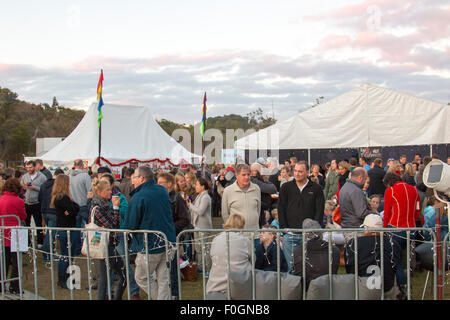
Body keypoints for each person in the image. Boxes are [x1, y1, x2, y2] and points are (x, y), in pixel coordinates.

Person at [121, 166, 176, 300]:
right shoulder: (162, 190)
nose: (132, 181)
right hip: (168, 240)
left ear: (141, 178)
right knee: (163, 279)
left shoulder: (138, 197)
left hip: (151, 245)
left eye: (134, 177)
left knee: (141, 277)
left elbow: (130, 225)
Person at [277, 161, 325, 272]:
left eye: (300, 171)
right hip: (290, 235)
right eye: (296, 171)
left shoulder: (316, 189)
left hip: (309, 236)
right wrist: (285, 230)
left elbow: (319, 211)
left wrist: (315, 232)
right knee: (292, 268)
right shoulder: (286, 187)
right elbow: (281, 209)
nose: (297, 174)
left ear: (307, 172)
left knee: (309, 267)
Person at [344, 214, 401, 300]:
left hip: (362, 289)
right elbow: (396, 266)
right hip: (386, 287)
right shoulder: (393, 243)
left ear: (366, 228)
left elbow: (350, 268)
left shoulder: (354, 243)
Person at [382, 172, 421, 296]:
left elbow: (387, 212)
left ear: (389, 183)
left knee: (396, 261)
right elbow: (417, 211)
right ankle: (407, 284)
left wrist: (384, 228)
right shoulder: (414, 190)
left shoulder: (391, 191)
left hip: (396, 228)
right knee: (406, 260)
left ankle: (403, 287)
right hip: (411, 229)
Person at [89, 178, 126, 300]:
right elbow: (113, 226)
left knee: (122, 275)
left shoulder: (104, 204)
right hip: (104, 245)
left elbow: (115, 223)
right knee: (104, 279)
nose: (111, 192)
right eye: (108, 190)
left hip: (110, 244)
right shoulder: (97, 207)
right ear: (99, 191)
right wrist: (115, 208)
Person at [157, 172, 191, 300]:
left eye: (161, 183)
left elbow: (185, 219)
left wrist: (170, 229)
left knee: (172, 268)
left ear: (169, 184)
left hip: (172, 238)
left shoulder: (177, 199)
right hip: (159, 239)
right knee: (161, 269)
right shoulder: (159, 197)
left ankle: (175, 294)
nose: (158, 185)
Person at [206, 214, 252, 296]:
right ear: (242, 225)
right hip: (239, 285)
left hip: (215, 285)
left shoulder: (216, 239)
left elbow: (212, 257)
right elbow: (253, 260)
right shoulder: (245, 240)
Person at [292, 218, 340, 291]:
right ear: (321, 232)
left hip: (307, 290)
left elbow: (298, 275)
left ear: (304, 234)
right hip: (327, 289)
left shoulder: (298, 250)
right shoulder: (334, 250)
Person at [50, 174, 80, 289]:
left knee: (67, 254)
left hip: (65, 227)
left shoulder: (62, 197)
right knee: (65, 255)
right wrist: (70, 211)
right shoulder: (62, 197)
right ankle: (62, 279)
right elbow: (72, 210)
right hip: (66, 228)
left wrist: (71, 210)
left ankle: (65, 277)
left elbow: (73, 209)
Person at [0, 178, 27, 294]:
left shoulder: (0, 199)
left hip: (3, 232)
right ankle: (14, 286)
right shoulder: (19, 201)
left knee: (3, 260)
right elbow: (23, 216)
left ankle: (2, 284)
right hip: (16, 232)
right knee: (16, 261)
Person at [221, 164, 261, 234]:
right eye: (243, 175)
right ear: (236, 175)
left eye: (248, 174)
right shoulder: (228, 191)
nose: (247, 177)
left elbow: (258, 210)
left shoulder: (256, 189)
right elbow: (225, 214)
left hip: (254, 234)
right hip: (236, 235)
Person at [187, 177, 213, 276]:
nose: (195, 187)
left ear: (202, 186)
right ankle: (201, 268)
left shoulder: (205, 197)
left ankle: (208, 269)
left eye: (197, 185)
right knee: (198, 249)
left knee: (205, 248)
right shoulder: (199, 196)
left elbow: (201, 211)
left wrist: (191, 206)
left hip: (204, 227)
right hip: (197, 226)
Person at [39, 168, 65, 262]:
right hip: (53, 211)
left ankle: (50, 253)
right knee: (51, 235)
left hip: (45, 210)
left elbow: (40, 198)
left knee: (50, 234)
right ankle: (47, 256)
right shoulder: (58, 186)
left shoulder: (44, 184)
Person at [20, 160, 47, 248]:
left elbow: (44, 189)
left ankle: (40, 242)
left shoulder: (42, 177)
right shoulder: (25, 176)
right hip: (27, 203)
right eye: (27, 167)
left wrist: (34, 187)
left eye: (30, 167)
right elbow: (21, 187)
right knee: (26, 224)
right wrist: (24, 186)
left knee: (38, 223)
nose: (28, 169)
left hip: (37, 203)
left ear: (35, 167)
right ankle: (28, 242)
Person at [69, 159, 93, 255]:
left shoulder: (69, 176)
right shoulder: (85, 176)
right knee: (89, 227)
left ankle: (76, 249)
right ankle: (89, 247)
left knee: (76, 229)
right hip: (83, 205)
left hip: (73, 205)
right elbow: (90, 191)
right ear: (82, 165)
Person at [250, 163, 277, 228]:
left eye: (252, 171)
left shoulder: (259, 180)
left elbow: (272, 188)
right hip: (257, 209)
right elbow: (269, 188)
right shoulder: (252, 180)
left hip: (263, 208)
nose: (250, 173)